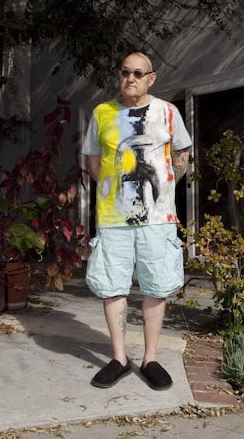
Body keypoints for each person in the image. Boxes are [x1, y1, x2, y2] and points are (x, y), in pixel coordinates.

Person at [81, 52, 192, 391]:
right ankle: (119, 358)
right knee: (112, 285)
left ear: (151, 78)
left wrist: (159, 190)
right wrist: (116, 192)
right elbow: (93, 161)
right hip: (113, 219)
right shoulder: (102, 114)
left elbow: (182, 157)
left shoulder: (167, 112)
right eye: (125, 72)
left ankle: (151, 358)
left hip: (158, 219)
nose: (131, 78)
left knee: (155, 286)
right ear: (119, 76)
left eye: (138, 73)